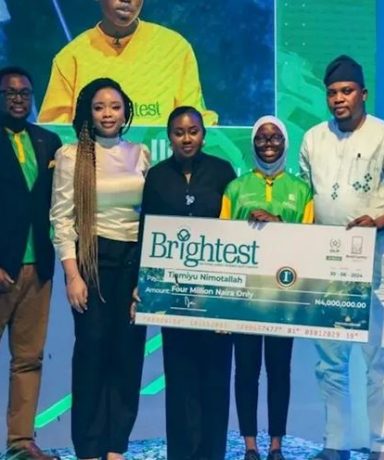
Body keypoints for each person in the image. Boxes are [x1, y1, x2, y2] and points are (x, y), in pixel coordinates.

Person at [299, 55, 384, 460]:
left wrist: (378, 221)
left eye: (346, 92)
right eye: (332, 93)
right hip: (326, 266)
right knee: (329, 361)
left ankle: (381, 448)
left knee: (379, 358)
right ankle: (335, 445)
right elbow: (308, 200)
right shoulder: (312, 138)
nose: (339, 99)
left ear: (363, 93)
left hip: (374, 263)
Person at [50, 77, 150, 460]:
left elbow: (149, 217)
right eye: (99, 107)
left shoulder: (140, 153)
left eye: (114, 106)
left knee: (127, 357)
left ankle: (116, 448)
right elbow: (62, 219)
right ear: (88, 113)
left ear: (125, 110)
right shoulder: (72, 155)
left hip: (131, 265)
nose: (108, 114)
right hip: (91, 264)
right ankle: (89, 449)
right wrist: (72, 275)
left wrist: (145, 278)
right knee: (91, 356)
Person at [137, 106, 236, 460]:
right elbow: (146, 231)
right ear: (169, 137)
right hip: (173, 296)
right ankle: (182, 453)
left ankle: (213, 453)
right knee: (179, 378)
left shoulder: (223, 171)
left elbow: (235, 233)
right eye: (179, 132)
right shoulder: (157, 177)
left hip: (216, 296)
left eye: (193, 131)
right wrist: (142, 284)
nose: (187, 138)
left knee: (215, 377)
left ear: (203, 134)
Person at [219, 115, 314, 460]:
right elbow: (222, 240)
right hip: (244, 298)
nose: (268, 143)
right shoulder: (235, 187)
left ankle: (276, 444)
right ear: (253, 143)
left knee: (279, 370)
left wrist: (277, 224)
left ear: (285, 142)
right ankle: (249, 445)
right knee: (245, 370)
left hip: (284, 297)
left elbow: (308, 243)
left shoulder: (302, 190)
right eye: (261, 138)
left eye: (275, 137)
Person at [0, 66, 61, 460]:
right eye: (10, 92)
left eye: (25, 92)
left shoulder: (48, 140)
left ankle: (20, 443)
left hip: (37, 265)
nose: (19, 98)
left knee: (28, 358)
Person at [39, 0, 217, 126]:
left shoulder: (176, 48)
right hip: (91, 173)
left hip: (164, 173)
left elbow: (195, 122)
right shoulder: (71, 57)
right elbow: (55, 133)